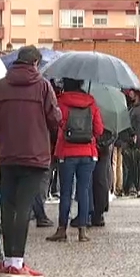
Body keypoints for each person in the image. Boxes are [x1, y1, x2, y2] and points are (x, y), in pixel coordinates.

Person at [0, 46, 61, 277]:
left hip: (7, 154)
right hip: (34, 155)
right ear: (35, 63)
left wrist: (1, 130)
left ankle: (7, 260)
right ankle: (17, 262)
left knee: (8, 205)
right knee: (24, 207)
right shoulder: (43, 86)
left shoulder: (0, 86)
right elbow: (54, 118)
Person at [47, 77, 104, 242]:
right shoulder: (91, 102)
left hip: (66, 152)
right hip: (88, 152)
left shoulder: (61, 102)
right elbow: (99, 130)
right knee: (84, 191)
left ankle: (61, 229)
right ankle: (82, 231)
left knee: (65, 192)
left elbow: (54, 123)